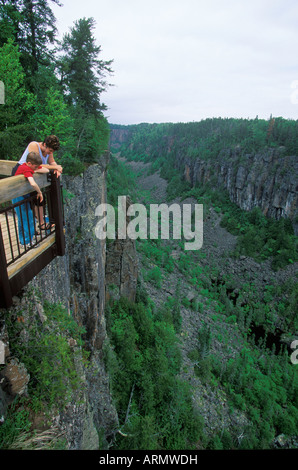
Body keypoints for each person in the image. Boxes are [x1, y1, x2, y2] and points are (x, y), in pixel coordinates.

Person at [12, 152, 49, 247]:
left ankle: (23, 240)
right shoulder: (26, 169)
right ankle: (28, 242)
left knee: (22, 219)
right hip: (19, 197)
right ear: (29, 163)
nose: (36, 168)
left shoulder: (25, 166)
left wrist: (36, 170)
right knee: (28, 218)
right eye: (35, 166)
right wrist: (39, 192)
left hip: (19, 196)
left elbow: (46, 170)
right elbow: (32, 183)